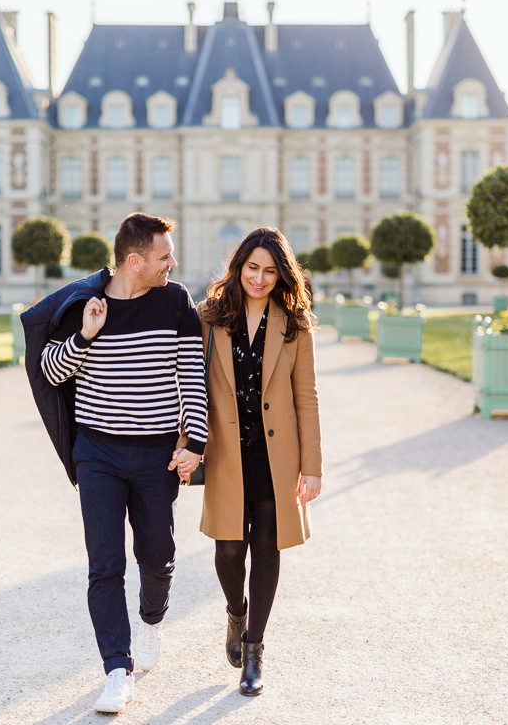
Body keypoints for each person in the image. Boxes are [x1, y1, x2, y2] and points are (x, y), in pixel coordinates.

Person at [33, 213, 206, 714]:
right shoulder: (86, 304)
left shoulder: (176, 301)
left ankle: (152, 620)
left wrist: (194, 442)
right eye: (165, 256)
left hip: (156, 455)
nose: (173, 263)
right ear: (135, 260)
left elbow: (191, 376)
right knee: (104, 564)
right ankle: (117, 668)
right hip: (99, 454)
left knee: (157, 556)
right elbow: (50, 372)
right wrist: (85, 336)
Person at [182, 227, 323, 697]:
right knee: (227, 551)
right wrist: (187, 443)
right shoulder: (210, 316)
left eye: (269, 270)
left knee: (266, 548)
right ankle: (235, 613)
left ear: (281, 273)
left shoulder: (295, 323)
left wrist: (312, 465)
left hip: (275, 454)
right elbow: (190, 385)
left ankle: (255, 648)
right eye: (251, 268)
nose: (259, 278)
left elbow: (307, 397)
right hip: (226, 450)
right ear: (238, 266)